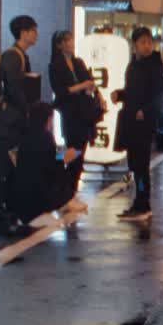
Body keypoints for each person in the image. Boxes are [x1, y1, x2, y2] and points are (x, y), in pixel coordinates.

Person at [0, 15, 41, 236]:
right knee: (3, 165)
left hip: (15, 120)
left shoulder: (20, 55)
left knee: (11, 165)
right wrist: (28, 108)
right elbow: (13, 88)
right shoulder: (13, 56)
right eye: (33, 30)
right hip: (10, 121)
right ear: (23, 32)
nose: (36, 34)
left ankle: (7, 210)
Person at [111, 27, 163, 221]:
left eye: (149, 42)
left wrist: (146, 111)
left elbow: (161, 96)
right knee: (134, 164)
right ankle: (138, 201)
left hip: (144, 124)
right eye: (143, 42)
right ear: (134, 45)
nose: (147, 46)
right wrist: (120, 94)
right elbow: (132, 91)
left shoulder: (155, 67)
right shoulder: (133, 65)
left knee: (141, 166)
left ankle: (144, 204)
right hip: (130, 122)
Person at [48, 30, 100, 202]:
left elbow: (90, 81)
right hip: (70, 113)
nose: (71, 43)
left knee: (81, 150)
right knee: (73, 150)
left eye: (71, 39)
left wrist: (92, 89)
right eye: (67, 40)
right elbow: (60, 91)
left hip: (85, 112)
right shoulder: (55, 66)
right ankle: (68, 191)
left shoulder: (78, 62)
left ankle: (72, 190)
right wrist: (81, 86)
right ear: (60, 45)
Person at [6, 102, 77, 226]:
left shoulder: (23, 135)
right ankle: (67, 201)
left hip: (16, 201)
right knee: (62, 178)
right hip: (37, 201)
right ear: (47, 119)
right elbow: (53, 169)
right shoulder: (46, 137)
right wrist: (65, 158)